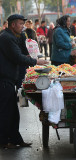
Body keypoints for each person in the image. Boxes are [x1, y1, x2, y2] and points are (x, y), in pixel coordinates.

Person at [0, 14, 48, 149]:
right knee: (5, 112)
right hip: (4, 80)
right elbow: (17, 57)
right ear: (13, 24)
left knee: (13, 113)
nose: (23, 27)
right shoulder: (6, 38)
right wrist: (36, 61)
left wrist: (27, 51)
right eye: (20, 24)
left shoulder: (14, 36)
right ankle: (3, 141)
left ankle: (15, 139)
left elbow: (22, 53)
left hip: (10, 79)